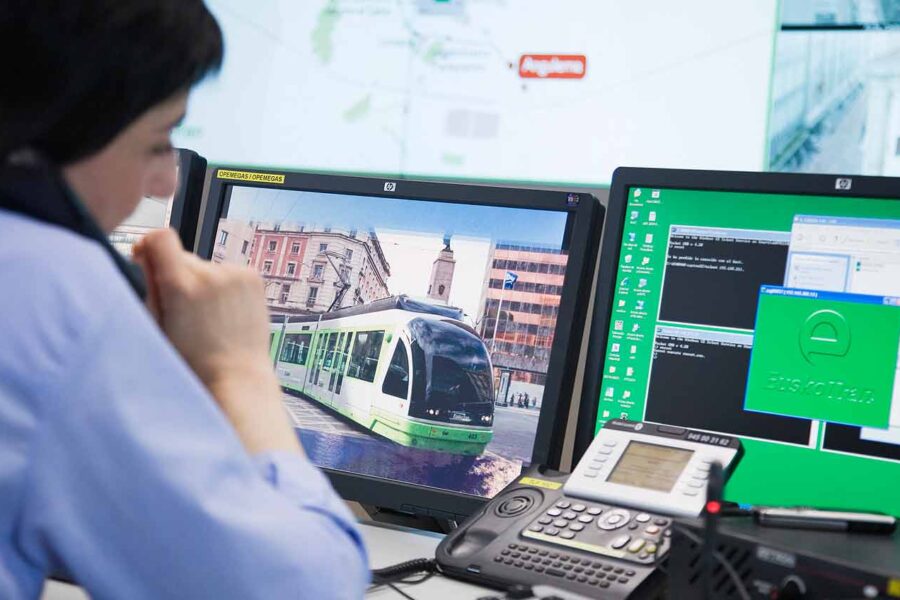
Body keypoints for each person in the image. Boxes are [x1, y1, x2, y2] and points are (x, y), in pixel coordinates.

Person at [0, 2, 368, 598]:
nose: (168, 180)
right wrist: (240, 365)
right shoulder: (60, 290)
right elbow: (303, 587)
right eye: (157, 141)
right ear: (46, 131)